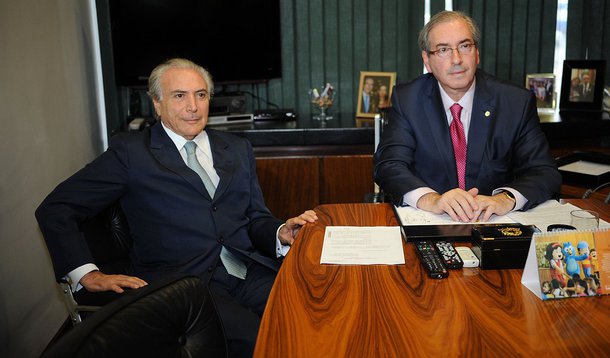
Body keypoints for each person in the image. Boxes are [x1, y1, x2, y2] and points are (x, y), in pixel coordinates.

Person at [36, 58, 318, 357]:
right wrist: (86, 273)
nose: (193, 106)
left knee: (311, 320)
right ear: (157, 103)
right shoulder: (131, 153)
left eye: (201, 95)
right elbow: (56, 208)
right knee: (261, 342)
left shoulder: (236, 148)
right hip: (185, 282)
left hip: (248, 270)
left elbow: (254, 217)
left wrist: (279, 231)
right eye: (179, 95)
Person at [373, 11, 561, 223]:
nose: (457, 60)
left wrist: (505, 198)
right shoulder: (408, 99)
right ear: (427, 60)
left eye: (465, 46)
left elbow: (545, 172)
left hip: (493, 224)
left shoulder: (515, 101)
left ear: (477, 53)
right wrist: (432, 199)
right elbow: (389, 165)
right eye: (443, 49)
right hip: (431, 222)